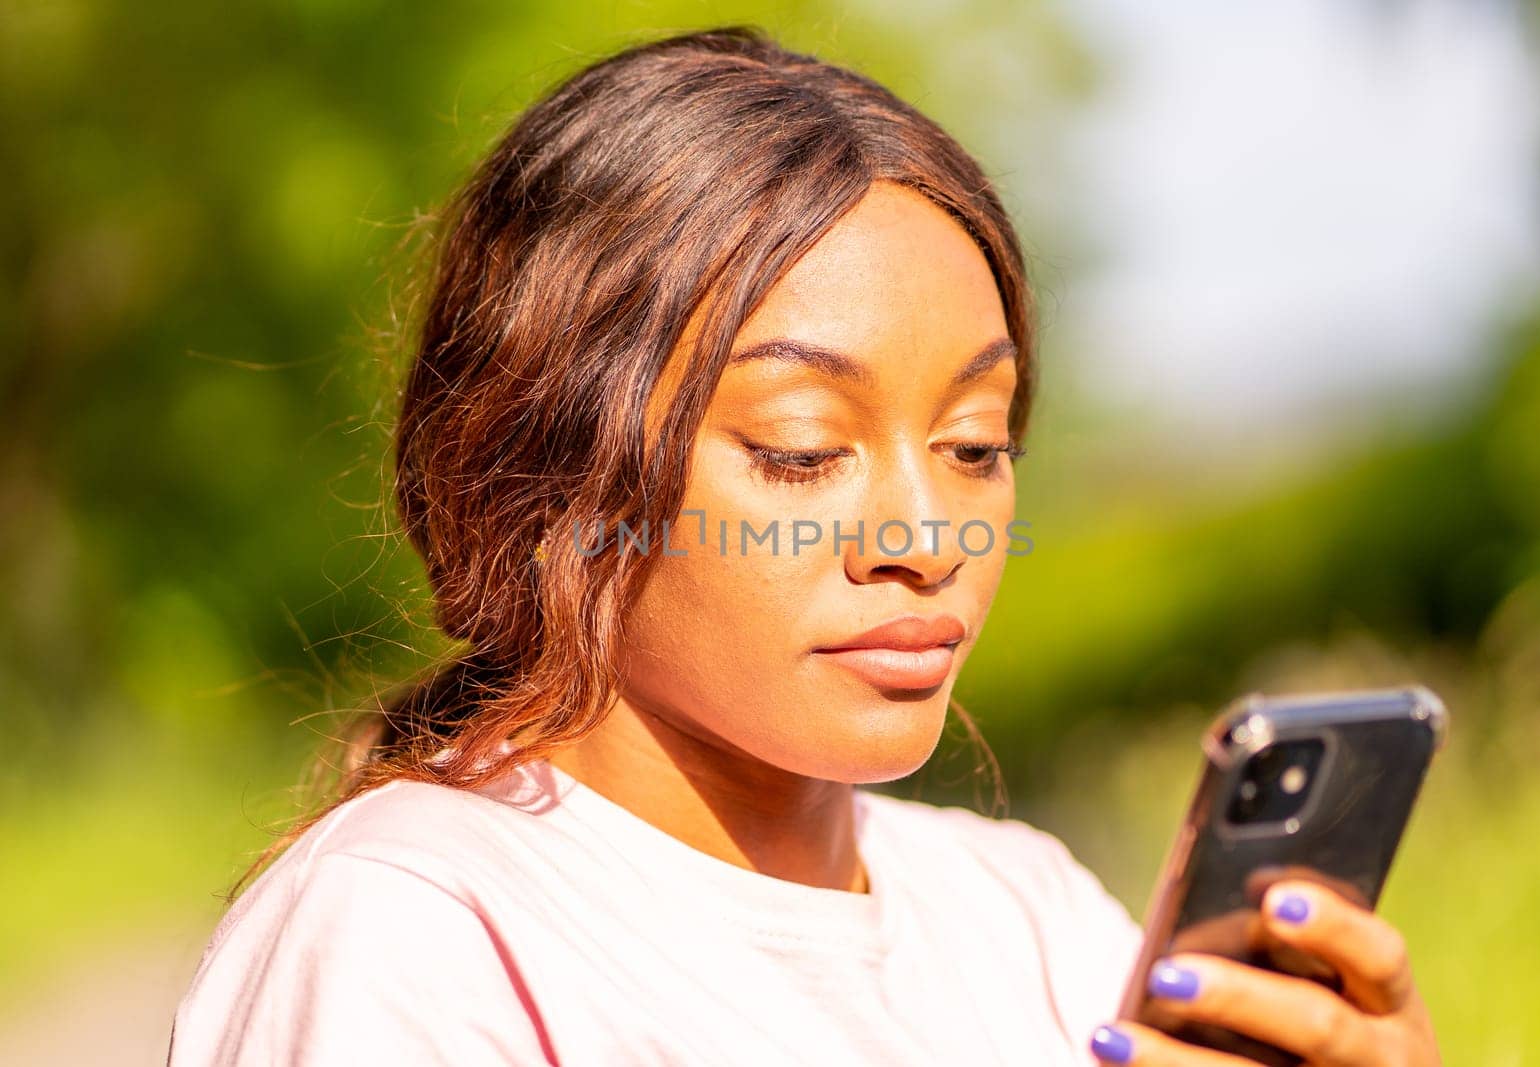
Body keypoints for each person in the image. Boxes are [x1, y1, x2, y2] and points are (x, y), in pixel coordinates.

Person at [167, 25, 1443, 1067]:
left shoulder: (1034, 917)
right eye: (798, 446)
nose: (926, 538)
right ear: (541, 467)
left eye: (975, 442)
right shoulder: (420, 932)